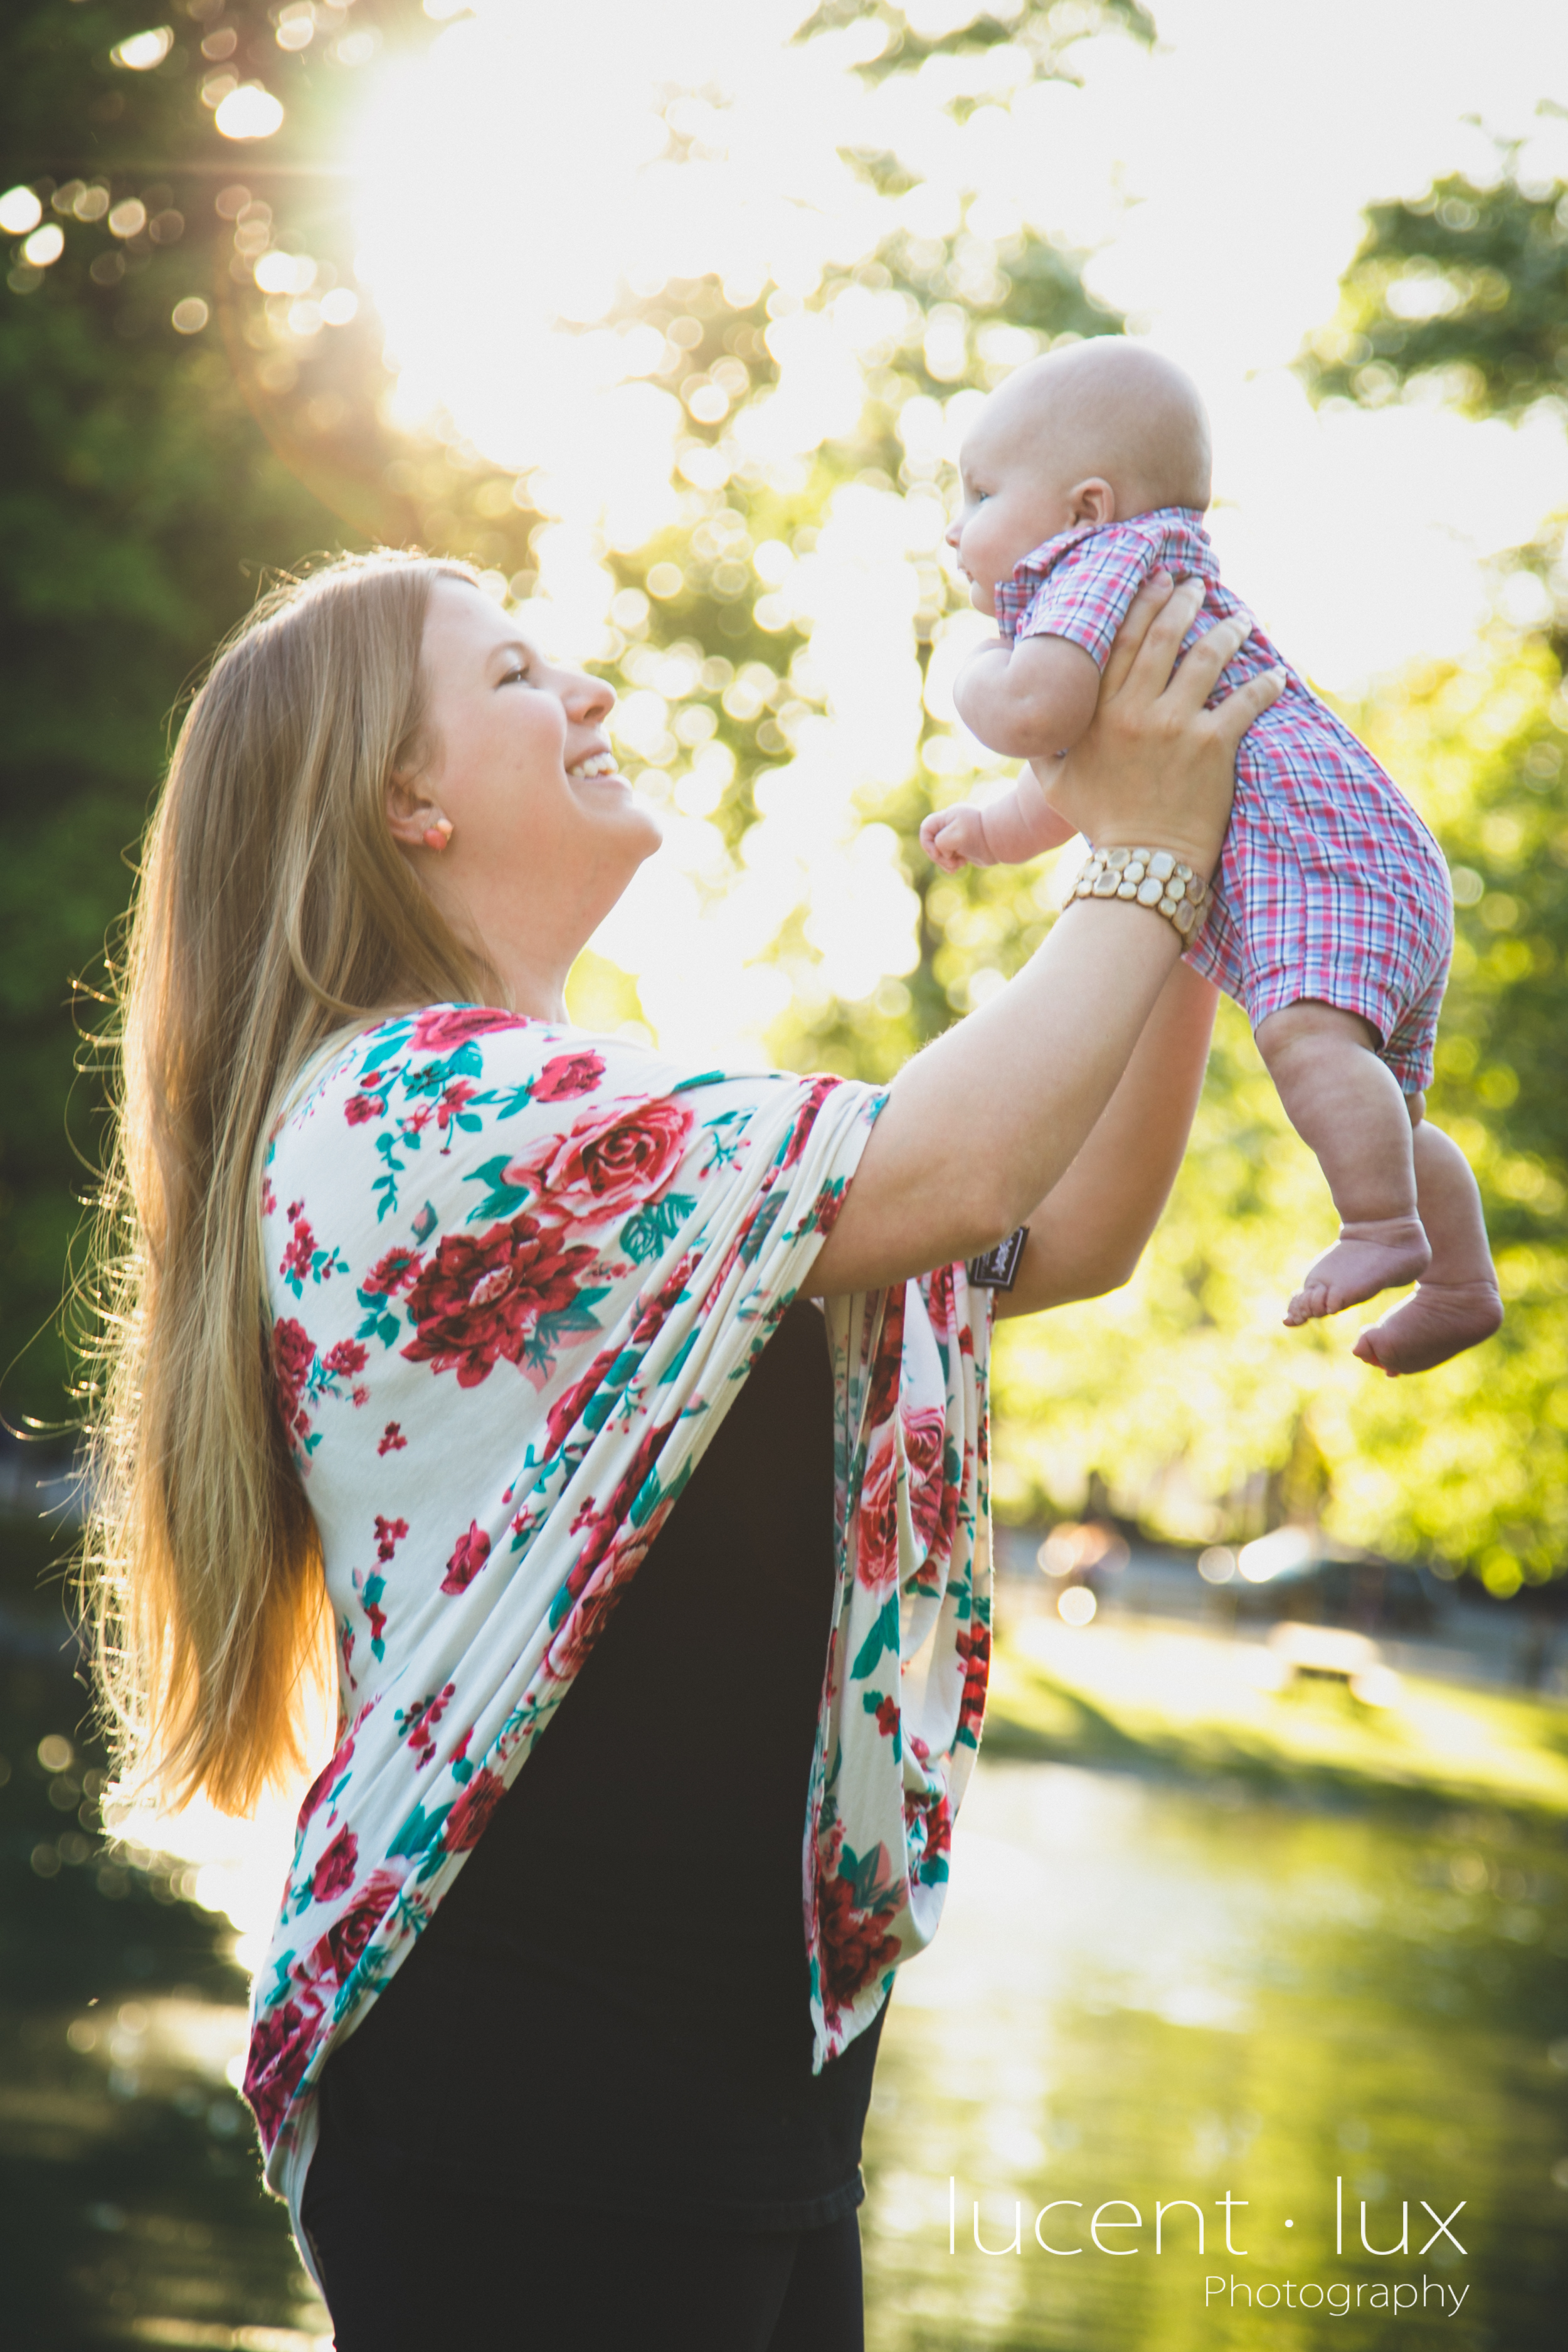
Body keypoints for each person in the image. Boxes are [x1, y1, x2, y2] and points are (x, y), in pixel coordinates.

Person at [86, 548, 1278, 2351]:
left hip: (725, 2070)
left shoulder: (615, 1132)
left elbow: (1060, 1211)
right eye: (513, 675)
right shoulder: (424, 1110)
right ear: (400, 796)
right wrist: (1147, 845)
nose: (592, 696)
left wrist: (1180, 845)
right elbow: (957, 1162)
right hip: (538, 2091)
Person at [919, 340, 1504, 1379]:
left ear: (1085, 506)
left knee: (1304, 1043)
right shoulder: (1147, 582)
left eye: (979, 492)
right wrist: (990, 830)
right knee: (1380, 1103)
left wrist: (963, 668)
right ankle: (1459, 1278)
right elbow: (1079, 781)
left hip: (1322, 863)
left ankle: (1380, 1228)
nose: (955, 526)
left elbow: (1034, 713)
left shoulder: (1097, 565)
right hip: (1372, 861)